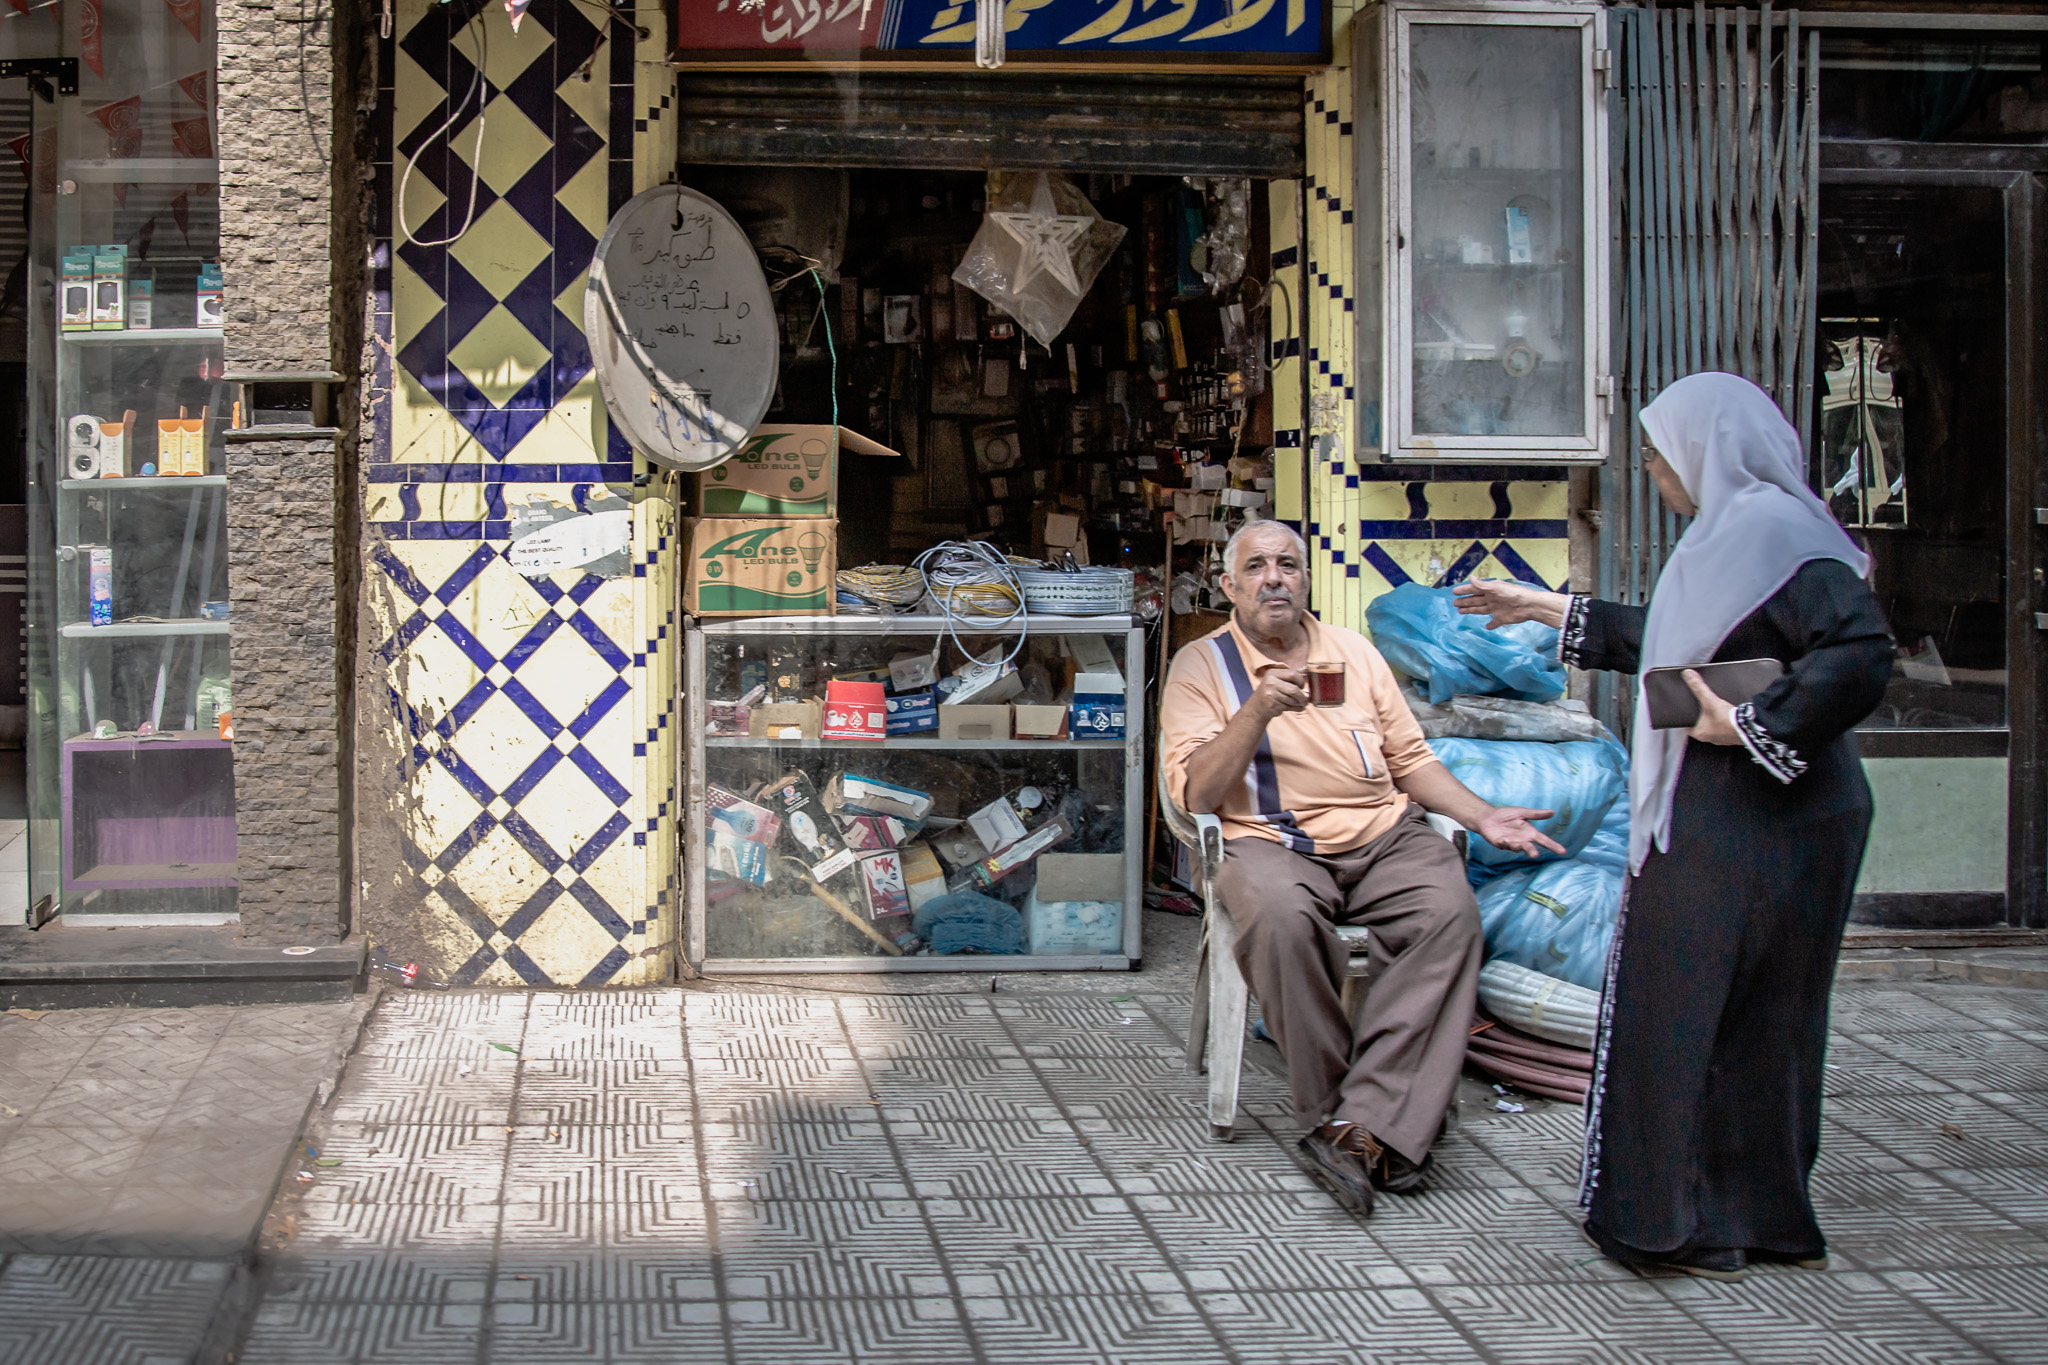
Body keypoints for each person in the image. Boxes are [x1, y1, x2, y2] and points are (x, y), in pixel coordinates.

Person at [1455, 372, 1893, 1282]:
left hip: (1765, 816)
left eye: (1659, 456)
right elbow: (1681, 642)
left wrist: (1752, 722)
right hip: (1742, 811)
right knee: (1725, 1013)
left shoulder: (1779, 534)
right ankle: (1723, 1217)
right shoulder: (1738, 537)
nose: (1654, 473)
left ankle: (1681, 1218)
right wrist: (1545, 608)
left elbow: (1862, 652)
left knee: (1702, 1010)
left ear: (1708, 452)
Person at [1159, 520, 1564, 1216]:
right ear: (1229, 586)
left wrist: (1481, 815)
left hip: (1381, 833)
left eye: (1288, 565)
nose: (1274, 578)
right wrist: (1258, 709)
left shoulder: (1353, 652)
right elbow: (1197, 794)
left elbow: (1410, 759)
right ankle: (1352, 1119)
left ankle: (1357, 1128)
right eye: (1256, 567)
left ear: (1307, 579)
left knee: (1449, 913)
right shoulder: (1202, 665)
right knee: (1282, 921)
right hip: (1268, 838)